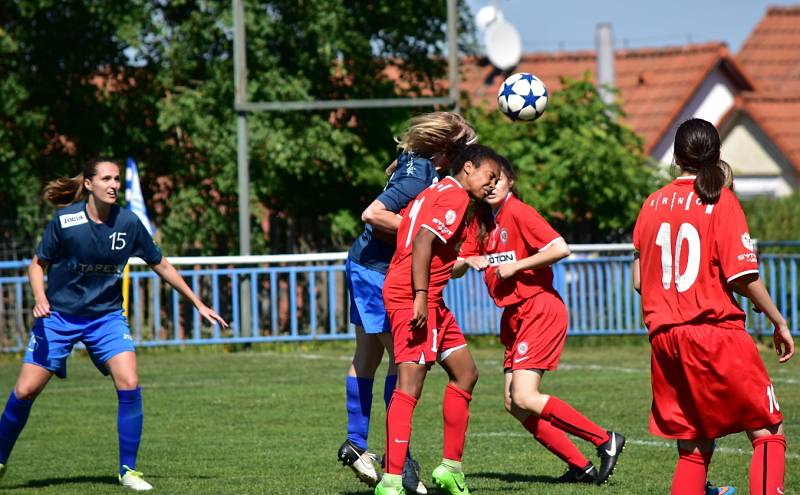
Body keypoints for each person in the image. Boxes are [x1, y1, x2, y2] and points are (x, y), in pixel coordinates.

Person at [0, 158, 228, 491]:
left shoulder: (129, 222)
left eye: (117, 179)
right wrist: (39, 297)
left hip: (106, 318)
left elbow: (160, 264)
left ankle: (128, 471)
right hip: (59, 317)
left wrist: (198, 303)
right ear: (89, 184)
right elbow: (38, 265)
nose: (113, 184)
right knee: (25, 390)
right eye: (106, 178)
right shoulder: (66, 221)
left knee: (129, 381)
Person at [632, 118, 793, 495]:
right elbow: (743, 275)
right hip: (714, 333)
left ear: (675, 156)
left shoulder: (652, 204)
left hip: (666, 340)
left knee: (694, 445)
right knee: (768, 430)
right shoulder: (720, 199)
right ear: (717, 155)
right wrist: (778, 320)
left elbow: (640, 281)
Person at [453, 157, 625, 486]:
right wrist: (467, 260)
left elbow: (560, 248)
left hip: (539, 308)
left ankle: (605, 440)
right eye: (486, 182)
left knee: (525, 397)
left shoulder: (518, 212)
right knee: (514, 404)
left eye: (497, 180)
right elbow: (459, 265)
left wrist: (517, 267)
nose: (490, 187)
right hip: (515, 316)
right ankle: (580, 466)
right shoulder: (483, 221)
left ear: (511, 182)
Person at [338, 112, 477, 494]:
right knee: (405, 362)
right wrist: (427, 234)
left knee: (368, 357)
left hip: (373, 265)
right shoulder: (420, 173)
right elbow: (373, 213)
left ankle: (358, 443)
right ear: (446, 151)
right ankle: (398, 462)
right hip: (376, 269)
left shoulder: (420, 167)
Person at [374, 144, 501, 495]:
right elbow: (423, 240)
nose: (492, 185)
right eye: (489, 177)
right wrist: (418, 298)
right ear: (469, 168)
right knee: (409, 386)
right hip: (414, 296)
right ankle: (391, 480)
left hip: (429, 297)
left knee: (465, 374)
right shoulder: (456, 197)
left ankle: (450, 468)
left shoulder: (438, 187)